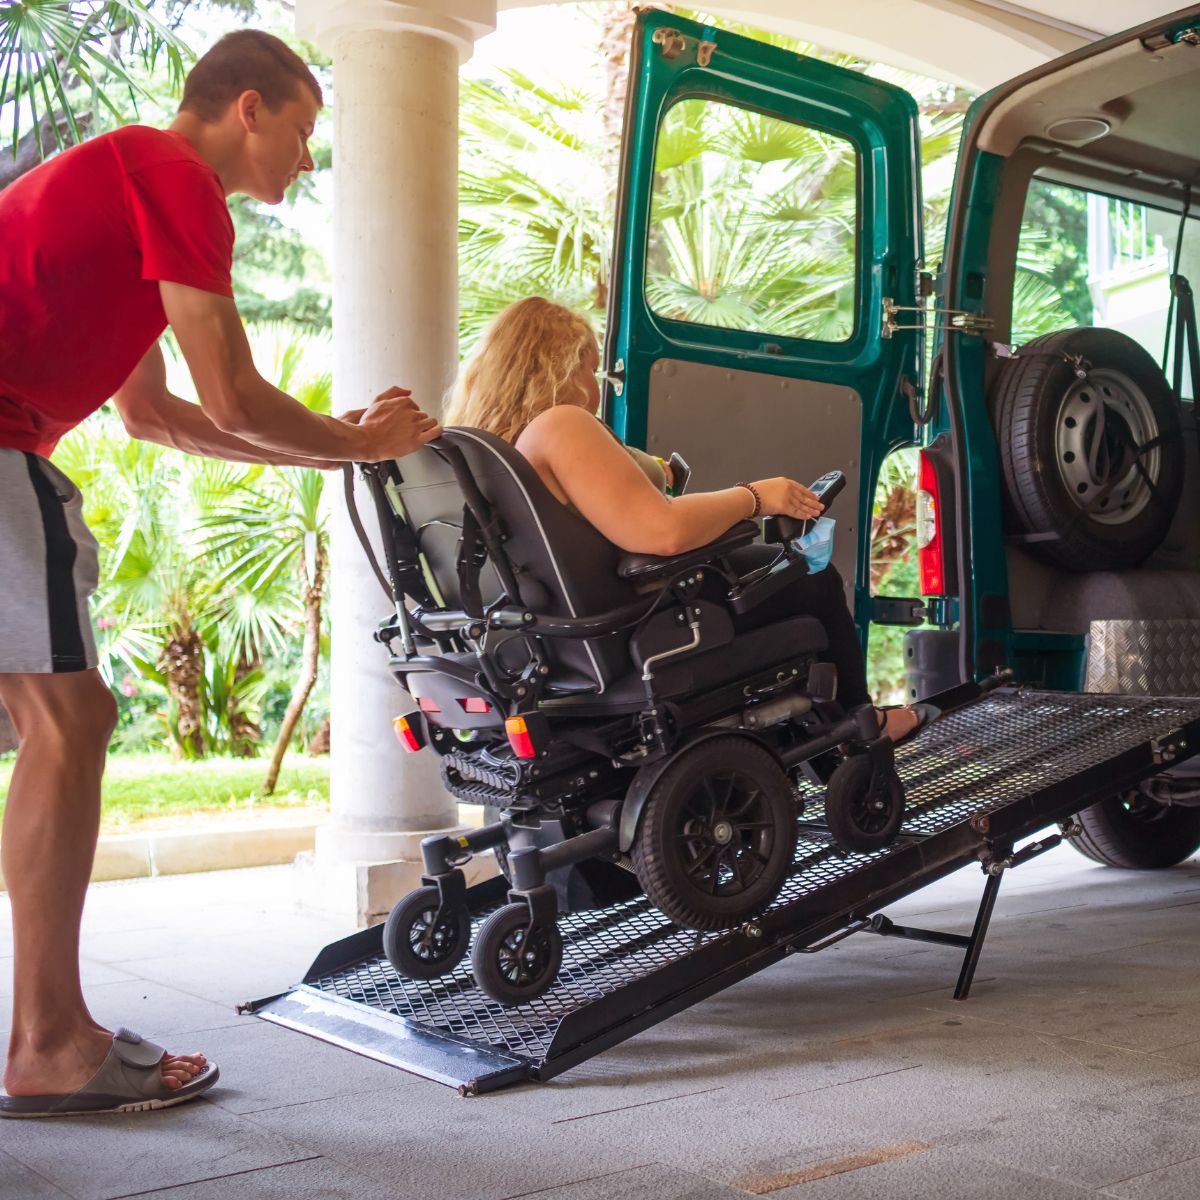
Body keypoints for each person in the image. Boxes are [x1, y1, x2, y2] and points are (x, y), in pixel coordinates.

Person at [0, 31, 441, 1118]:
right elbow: (237, 399)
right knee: (71, 719)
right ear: (249, 107)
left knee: (53, 718)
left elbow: (159, 416)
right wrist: (364, 448)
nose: (305, 157)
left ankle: (42, 1034)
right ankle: (50, 1043)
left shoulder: (126, 184)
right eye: (301, 129)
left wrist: (331, 440)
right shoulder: (174, 179)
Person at [444, 296, 918, 736]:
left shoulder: (479, 450)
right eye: (589, 371)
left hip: (547, 644)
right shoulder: (559, 424)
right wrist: (757, 497)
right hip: (631, 624)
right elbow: (663, 532)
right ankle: (861, 724)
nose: (593, 388)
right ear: (559, 368)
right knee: (807, 577)